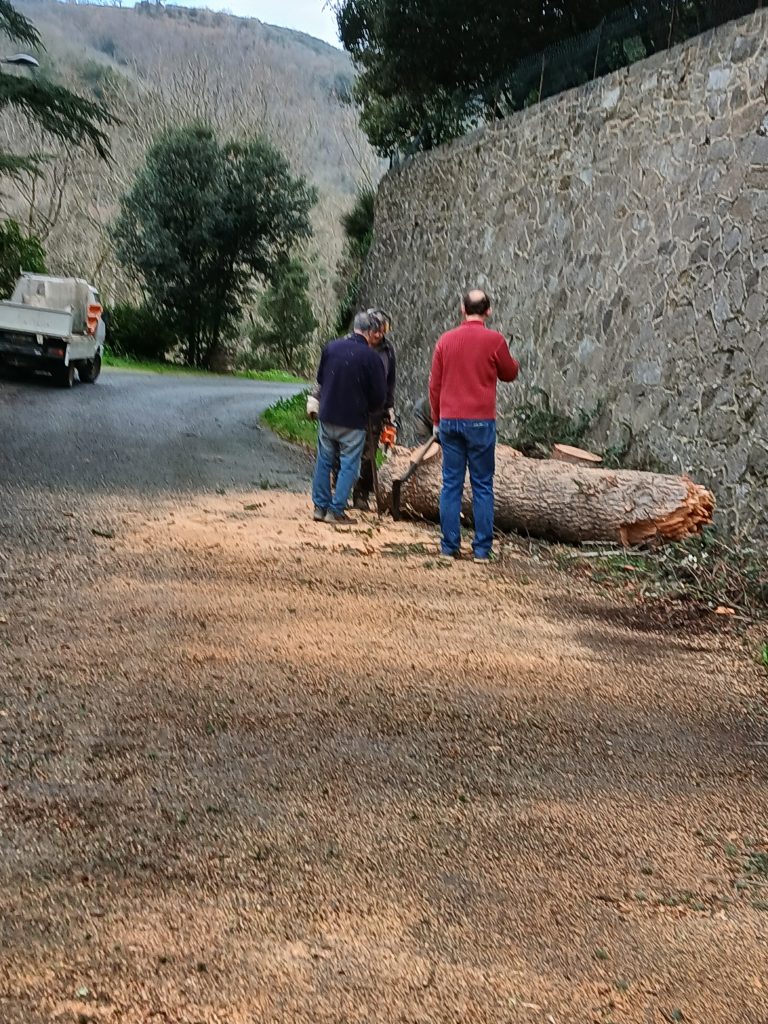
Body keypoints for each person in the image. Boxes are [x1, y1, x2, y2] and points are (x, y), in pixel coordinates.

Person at [428, 288, 519, 563]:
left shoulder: (445, 340)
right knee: (482, 485)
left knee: (451, 484)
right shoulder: (495, 340)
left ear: (462, 309)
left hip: (450, 420)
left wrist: (436, 420)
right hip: (480, 421)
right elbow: (509, 373)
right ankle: (481, 550)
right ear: (488, 311)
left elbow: (434, 385)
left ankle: (448, 547)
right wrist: (512, 360)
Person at [311, 311, 386, 525]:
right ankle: (336, 510)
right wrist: (371, 409)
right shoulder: (371, 357)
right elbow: (379, 395)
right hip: (353, 420)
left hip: (327, 415)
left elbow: (321, 379)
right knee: (349, 465)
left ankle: (320, 507)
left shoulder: (331, 347)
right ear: (370, 332)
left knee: (324, 461)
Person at [352, 307, 396, 511]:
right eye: (375, 330)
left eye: (382, 331)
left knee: (369, 453)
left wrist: (389, 407)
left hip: (376, 408)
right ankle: (340, 490)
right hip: (353, 405)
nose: (379, 335)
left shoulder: (388, 351)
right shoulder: (354, 345)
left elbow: (390, 381)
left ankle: (361, 493)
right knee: (348, 449)